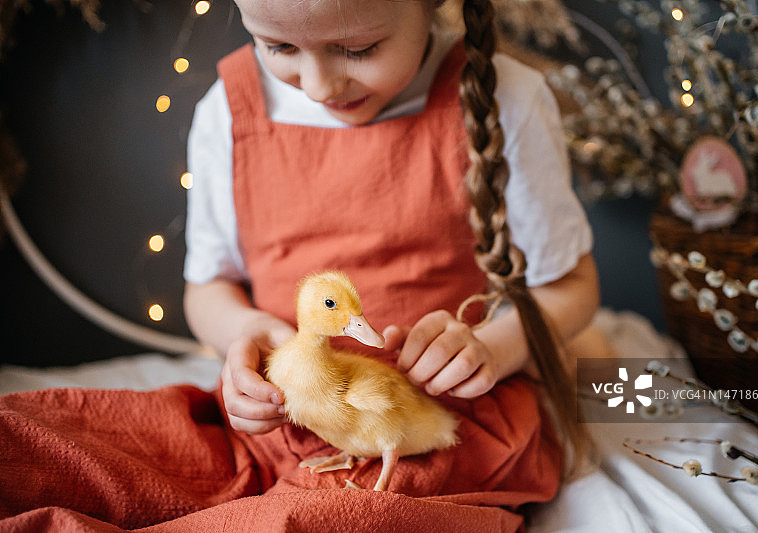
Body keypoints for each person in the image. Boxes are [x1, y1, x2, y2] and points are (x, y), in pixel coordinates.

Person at [0, 0, 598, 530]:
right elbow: (207, 290)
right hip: (272, 424)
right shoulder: (225, 112)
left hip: (424, 427)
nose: (318, 86)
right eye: (279, 46)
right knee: (42, 440)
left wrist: (493, 347)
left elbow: (572, 286)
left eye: (358, 48)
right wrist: (243, 335)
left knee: (338, 513)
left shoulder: (504, 100)